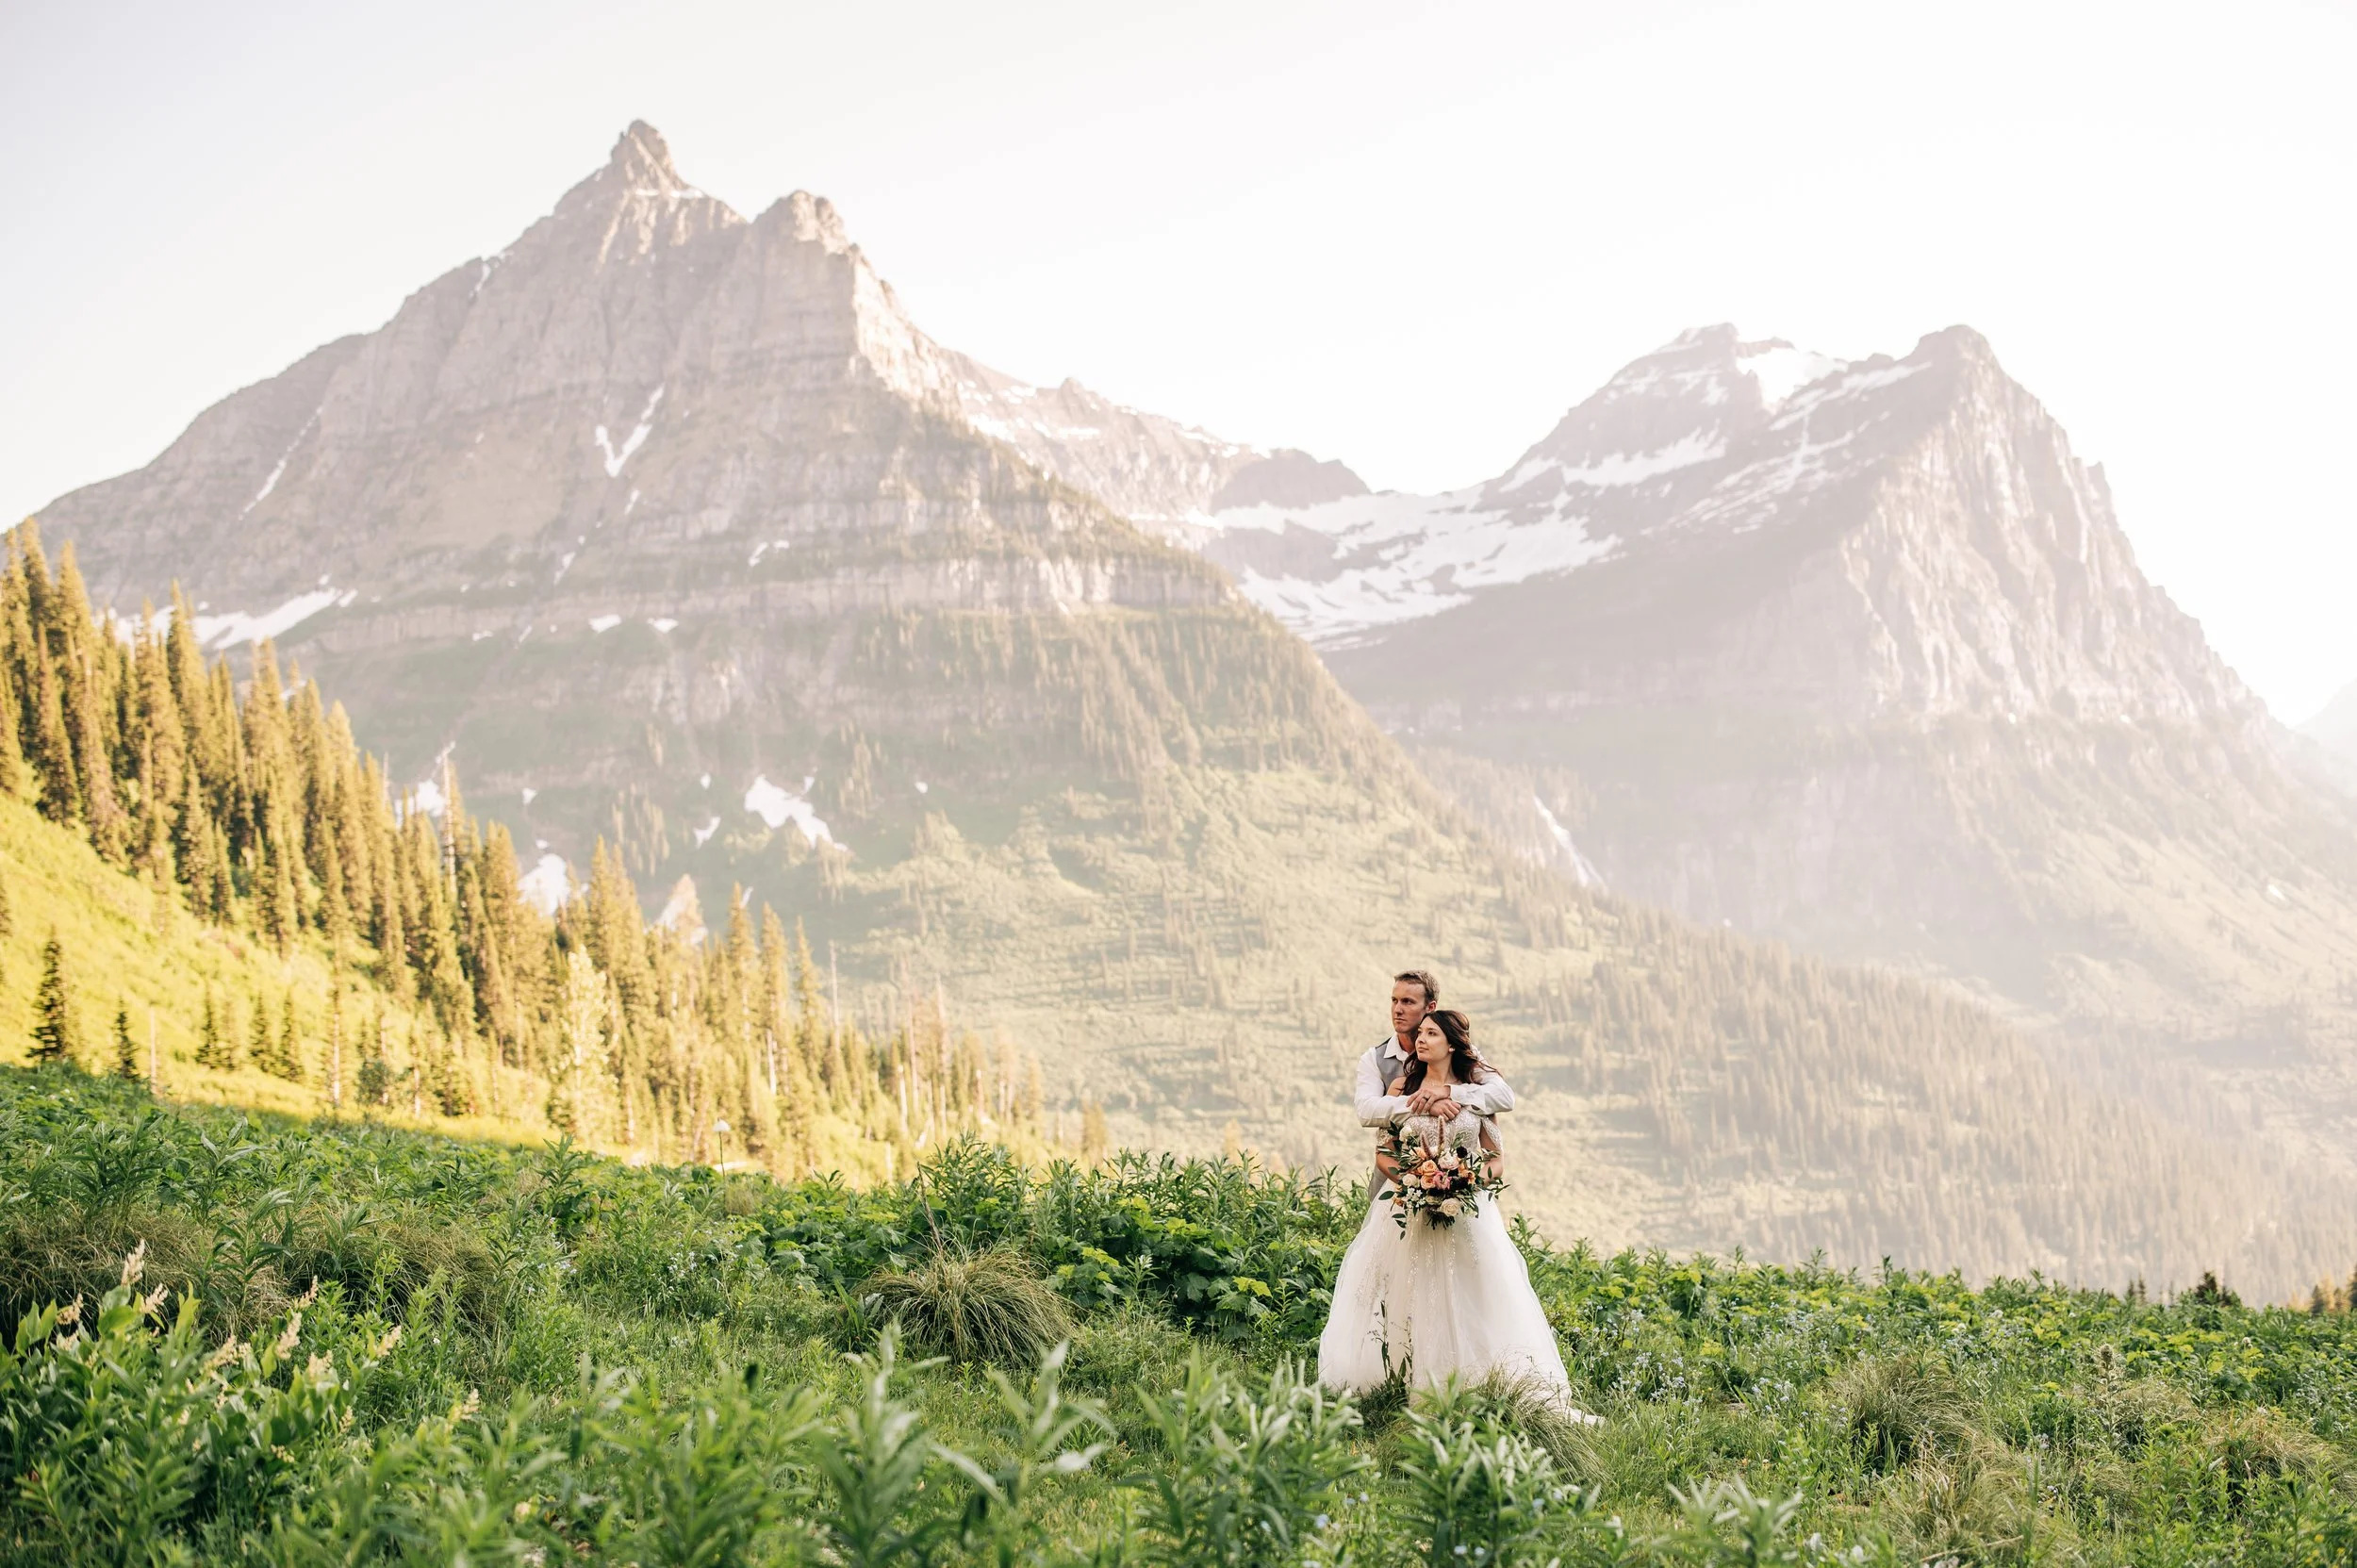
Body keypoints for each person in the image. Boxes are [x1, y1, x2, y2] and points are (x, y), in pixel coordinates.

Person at [1319, 1008, 1591, 1415]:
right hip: (1407, 1209)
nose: (1421, 1039)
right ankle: (1396, 1384)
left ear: (1452, 1043)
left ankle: (1478, 1384)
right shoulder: (1401, 1087)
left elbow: (1496, 1158)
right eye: (1421, 1033)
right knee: (1403, 1292)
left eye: (1430, 1033)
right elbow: (1383, 1155)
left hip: (1467, 1212)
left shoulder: (1474, 1092)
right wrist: (1414, 1180)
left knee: (1472, 1293)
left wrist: (1467, 1182)